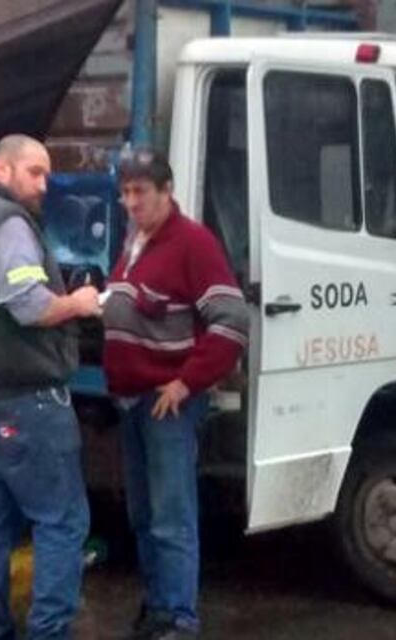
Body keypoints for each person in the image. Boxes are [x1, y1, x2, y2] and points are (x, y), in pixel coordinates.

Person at [0, 134, 102, 639]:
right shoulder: (6, 222)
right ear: (3, 169)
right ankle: (49, 632)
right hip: (24, 398)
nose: (44, 184)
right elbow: (28, 303)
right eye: (35, 172)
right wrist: (78, 303)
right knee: (62, 521)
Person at [101, 147, 249, 639]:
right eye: (124, 193)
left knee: (171, 515)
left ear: (167, 192)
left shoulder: (194, 244)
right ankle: (158, 607)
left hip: (167, 403)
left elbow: (231, 321)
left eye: (140, 192)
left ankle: (180, 619)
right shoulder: (135, 240)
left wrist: (188, 381)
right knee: (143, 514)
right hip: (132, 400)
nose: (130, 202)